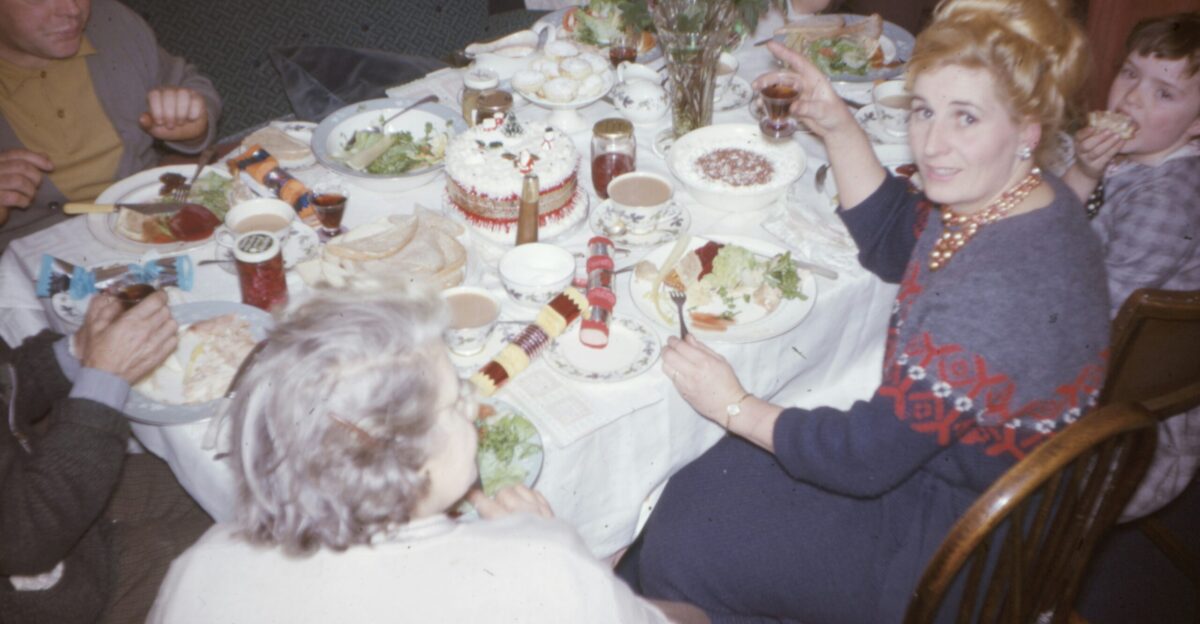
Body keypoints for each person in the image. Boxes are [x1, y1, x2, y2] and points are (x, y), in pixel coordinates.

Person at [616, 0, 1109, 621]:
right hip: (946, 470)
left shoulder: (998, 293)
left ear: (1029, 128)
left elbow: (864, 458)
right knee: (693, 481)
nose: (934, 144)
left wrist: (732, 404)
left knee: (680, 542)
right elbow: (900, 237)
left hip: (953, 544)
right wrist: (838, 125)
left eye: (966, 118)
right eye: (925, 111)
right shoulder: (1023, 199)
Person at [148, 288, 679, 624]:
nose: (472, 411)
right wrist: (552, 548)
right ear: (407, 460)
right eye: (455, 403)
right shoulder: (543, 564)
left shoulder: (203, 563)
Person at [0, 292, 213, 624]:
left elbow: (6, 386)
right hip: (62, 601)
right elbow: (25, 537)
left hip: (38, 495)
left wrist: (76, 351)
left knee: (213, 485)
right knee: (243, 548)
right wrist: (103, 379)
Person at [1063, 12, 1200, 521]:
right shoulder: (1131, 154)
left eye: (1164, 93)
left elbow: (1096, 328)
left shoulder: (1166, 204)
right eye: (1129, 72)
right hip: (1100, 360)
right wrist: (1083, 171)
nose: (1132, 98)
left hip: (1128, 426)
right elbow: (1057, 227)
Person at [0, 0, 222, 249]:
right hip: (39, 252)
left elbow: (186, 81)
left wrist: (193, 125)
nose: (72, 10)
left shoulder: (110, 21)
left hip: (149, 218)